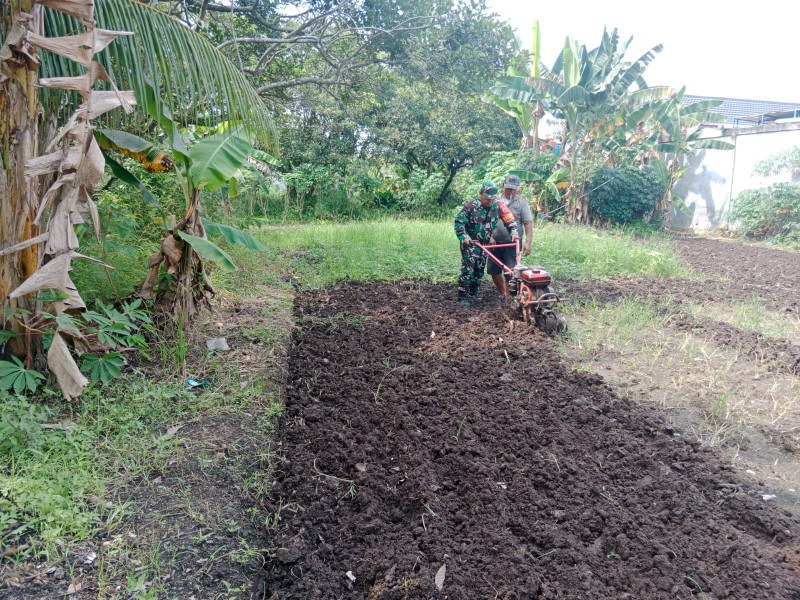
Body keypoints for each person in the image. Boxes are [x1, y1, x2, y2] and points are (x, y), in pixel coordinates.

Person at [454, 181, 519, 306]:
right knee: (468, 270)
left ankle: (473, 293)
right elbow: (459, 223)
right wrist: (464, 236)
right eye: (487, 199)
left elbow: (509, 219)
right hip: (471, 244)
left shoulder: (498, 206)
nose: (489, 202)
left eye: (492, 199)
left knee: (479, 269)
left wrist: (514, 231)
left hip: (484, 244)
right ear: (481, 194)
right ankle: (462, 296)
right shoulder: (470, 206)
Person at [487, 174, 533, 298]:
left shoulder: (522, 203)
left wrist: (528, 243)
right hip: (494, 242)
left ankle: (509, 298)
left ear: (518, 189)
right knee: (494, 271)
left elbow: (528, 223)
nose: (511, 191)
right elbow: (486, 220)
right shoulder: (494, 200)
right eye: (508, 188)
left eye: (514, 189)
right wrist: (489, 236)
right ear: (503, 186)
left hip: (512, 243)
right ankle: (503, 292)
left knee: (510, 272)